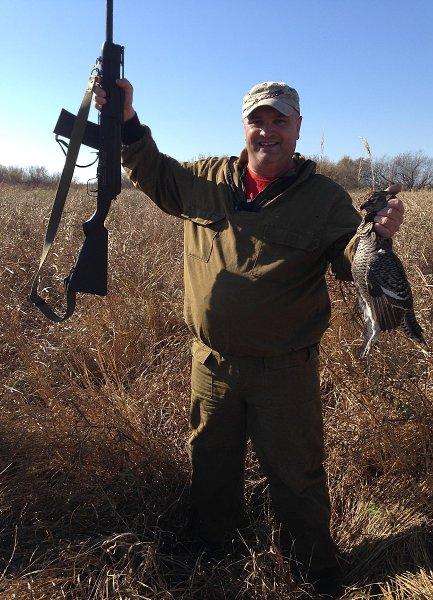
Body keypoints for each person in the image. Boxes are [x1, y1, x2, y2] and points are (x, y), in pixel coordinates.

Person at [94, 80, 404, 598]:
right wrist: (125, 118)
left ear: (298, 128)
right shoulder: (206, 178)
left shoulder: (325, 199)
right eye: (258, 121)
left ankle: (315, 572)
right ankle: (214, 555)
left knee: (296, 475)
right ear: (245, 127)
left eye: (280, 121)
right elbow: (152, 171)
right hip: (211, 364)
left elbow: (353, 260)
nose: (268, 131)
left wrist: (378, 235)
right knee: (211, 464)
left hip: (285, 370)